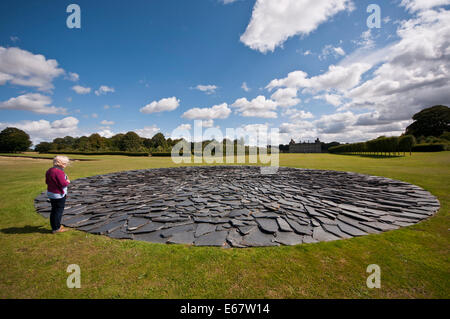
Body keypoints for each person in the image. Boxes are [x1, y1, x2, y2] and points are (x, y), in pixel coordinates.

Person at [46, 156, 71, 233]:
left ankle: (55, 226)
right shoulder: (59, 172)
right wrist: (67, 181)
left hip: (51, 193)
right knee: (58, 211)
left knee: (54, 210)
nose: (66, 164)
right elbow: (63, 184)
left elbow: (47, 181)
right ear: (61, 163)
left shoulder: (50, 170)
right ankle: (57, 228)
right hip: (58, 194)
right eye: (65, 163)